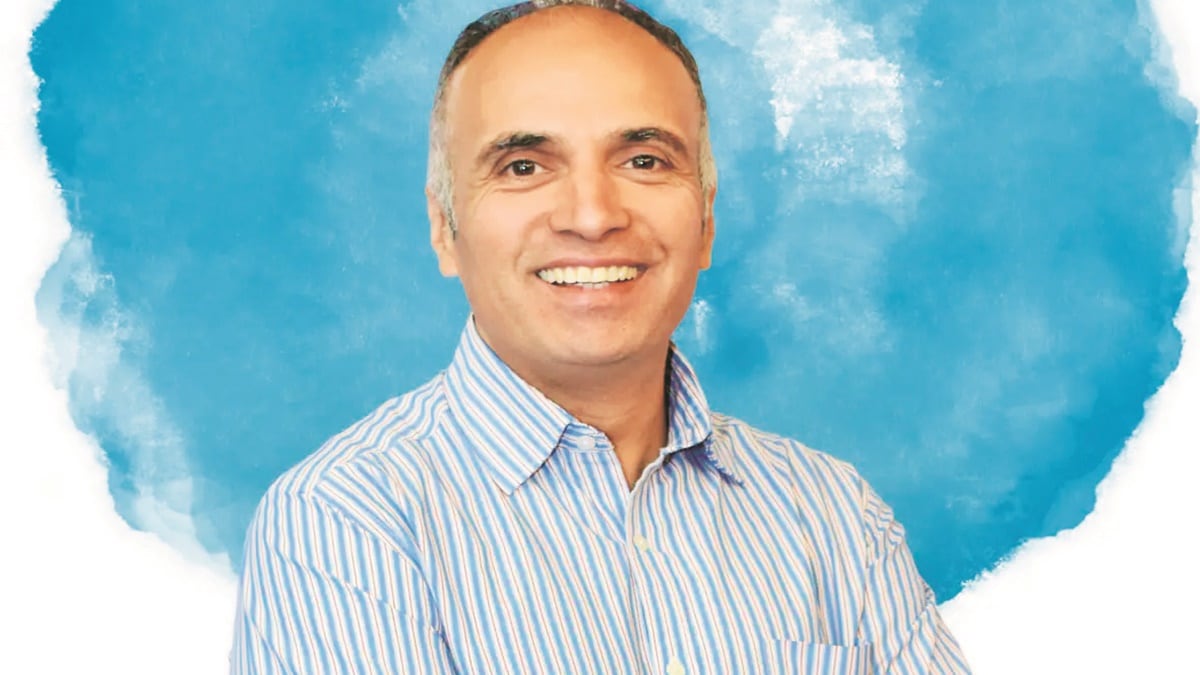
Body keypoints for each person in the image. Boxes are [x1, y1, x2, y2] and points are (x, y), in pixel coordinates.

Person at [230, 1, 971, 672]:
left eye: (644, 160)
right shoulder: (343, 519)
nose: (592, 215)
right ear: (443, 228)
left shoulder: (835, 514)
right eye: (524, 166)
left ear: (707, 218)